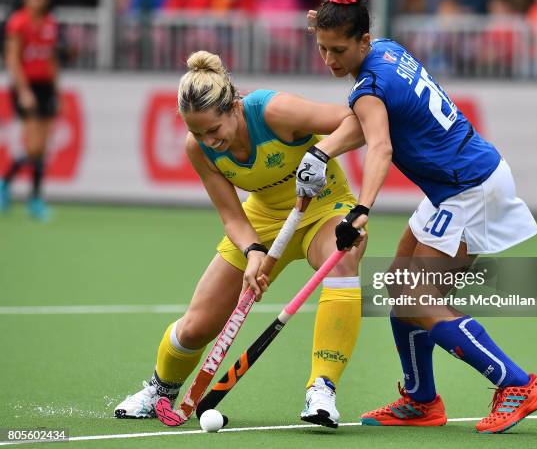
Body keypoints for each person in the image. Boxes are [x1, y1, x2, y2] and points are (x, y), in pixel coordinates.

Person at [296, 0, 537, 434]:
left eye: (338, 50)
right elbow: (365, 119)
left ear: (363, 40)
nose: (330, 59)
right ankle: (420, 400)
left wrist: (360, 210)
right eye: (322, 47)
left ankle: (516, 382)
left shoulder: (368, 88)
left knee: (417, 295)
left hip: (467, 188)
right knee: (401, 284)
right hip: (459, 181)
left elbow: (380, 145)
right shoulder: (388, 49)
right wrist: (322, 149)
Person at [114, 50, 366, 428]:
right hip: (262, 220)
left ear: (233, 106)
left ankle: (322, 388)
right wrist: (252, 253)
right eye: (197, 132)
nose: (208, 141)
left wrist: (320, 152)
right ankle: (160, 389)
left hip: (325, 207)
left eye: (213, 130)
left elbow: (357, 122)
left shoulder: (273, 112)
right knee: (197, 325)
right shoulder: (197, 148)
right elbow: (232, 214)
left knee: (342, 261)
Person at [1, 0, 58, 221]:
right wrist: (23, 91)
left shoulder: (49, 23)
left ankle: (33, 198)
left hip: (45, 87)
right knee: (34, 146)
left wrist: (56, 89)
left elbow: (51, 60)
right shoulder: (18, 22)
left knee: (42, 149)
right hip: (27, 86)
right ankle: (8, 184)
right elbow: (13, 60)